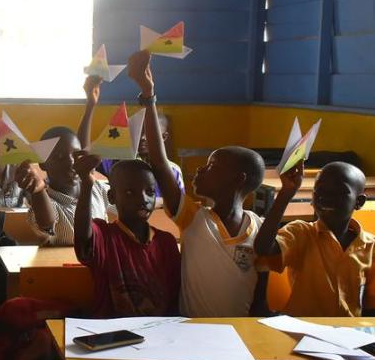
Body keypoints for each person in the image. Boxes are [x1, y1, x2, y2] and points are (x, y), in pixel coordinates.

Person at [130, 50, 268, 317]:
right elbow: (159, 162)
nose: (200, 170)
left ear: (237, 180)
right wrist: (148, 96)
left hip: (241, 339)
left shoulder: (259, 229)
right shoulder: (192, 218)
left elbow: (262, 290)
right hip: (193, 337)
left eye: (212, 167)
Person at [254, 161, 375, 316]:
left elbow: (370, 309)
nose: (325, 197)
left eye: (339, 192)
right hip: (303, 331)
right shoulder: (300, 232)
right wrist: (286, 193)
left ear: (359, 202)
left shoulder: (370, 246)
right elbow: (264, 248)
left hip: (347, 334)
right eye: (319, 190)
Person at [73, 155, 181, 317]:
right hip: (112, 334)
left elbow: (174, 298)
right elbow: (83, 234)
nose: (144, 199)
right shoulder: (104, 235)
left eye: (150, 192)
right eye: (130, 192)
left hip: (160, 332)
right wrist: (87, 185)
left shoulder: (166, 242)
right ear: (112, 197)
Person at [76, 75, 184, 200]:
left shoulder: (172, 171)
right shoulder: (116, 164)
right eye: (140, 130)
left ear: (164, 137)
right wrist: (90, 105)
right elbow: (83, 157)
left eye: (148, 133)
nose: (143, 137)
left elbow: (178, 206)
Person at [16, 127, 111, 246]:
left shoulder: (97, 188)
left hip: (102, 264)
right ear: (43, 164)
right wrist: (39, 191)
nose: (71, 162)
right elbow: (47, 223)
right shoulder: (46, 204)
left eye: (76, 154)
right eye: (60, 157)